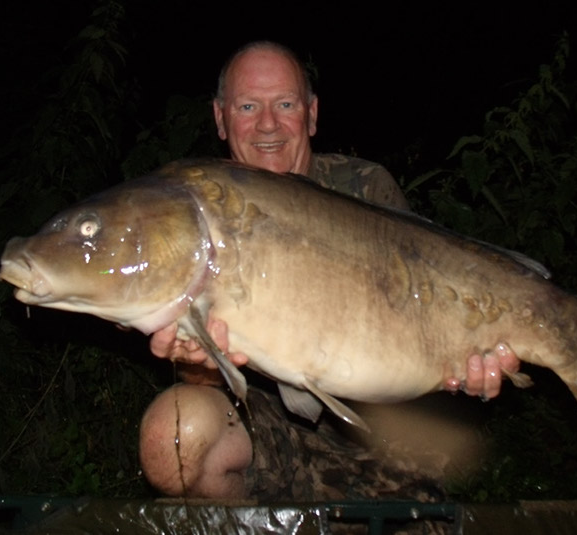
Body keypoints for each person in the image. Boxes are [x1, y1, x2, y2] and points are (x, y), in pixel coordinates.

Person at [140, 41, 523, 501]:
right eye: (248, 106)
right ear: (221, 118)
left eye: (285, 104)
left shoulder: (364, 189)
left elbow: (432, 317)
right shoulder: (197, 218)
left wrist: (470, 363)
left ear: (312, 114)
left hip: (382, 435)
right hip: (266, 428)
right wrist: (197, 363)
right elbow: (208, 376)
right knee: (173, 439)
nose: (267, 124)